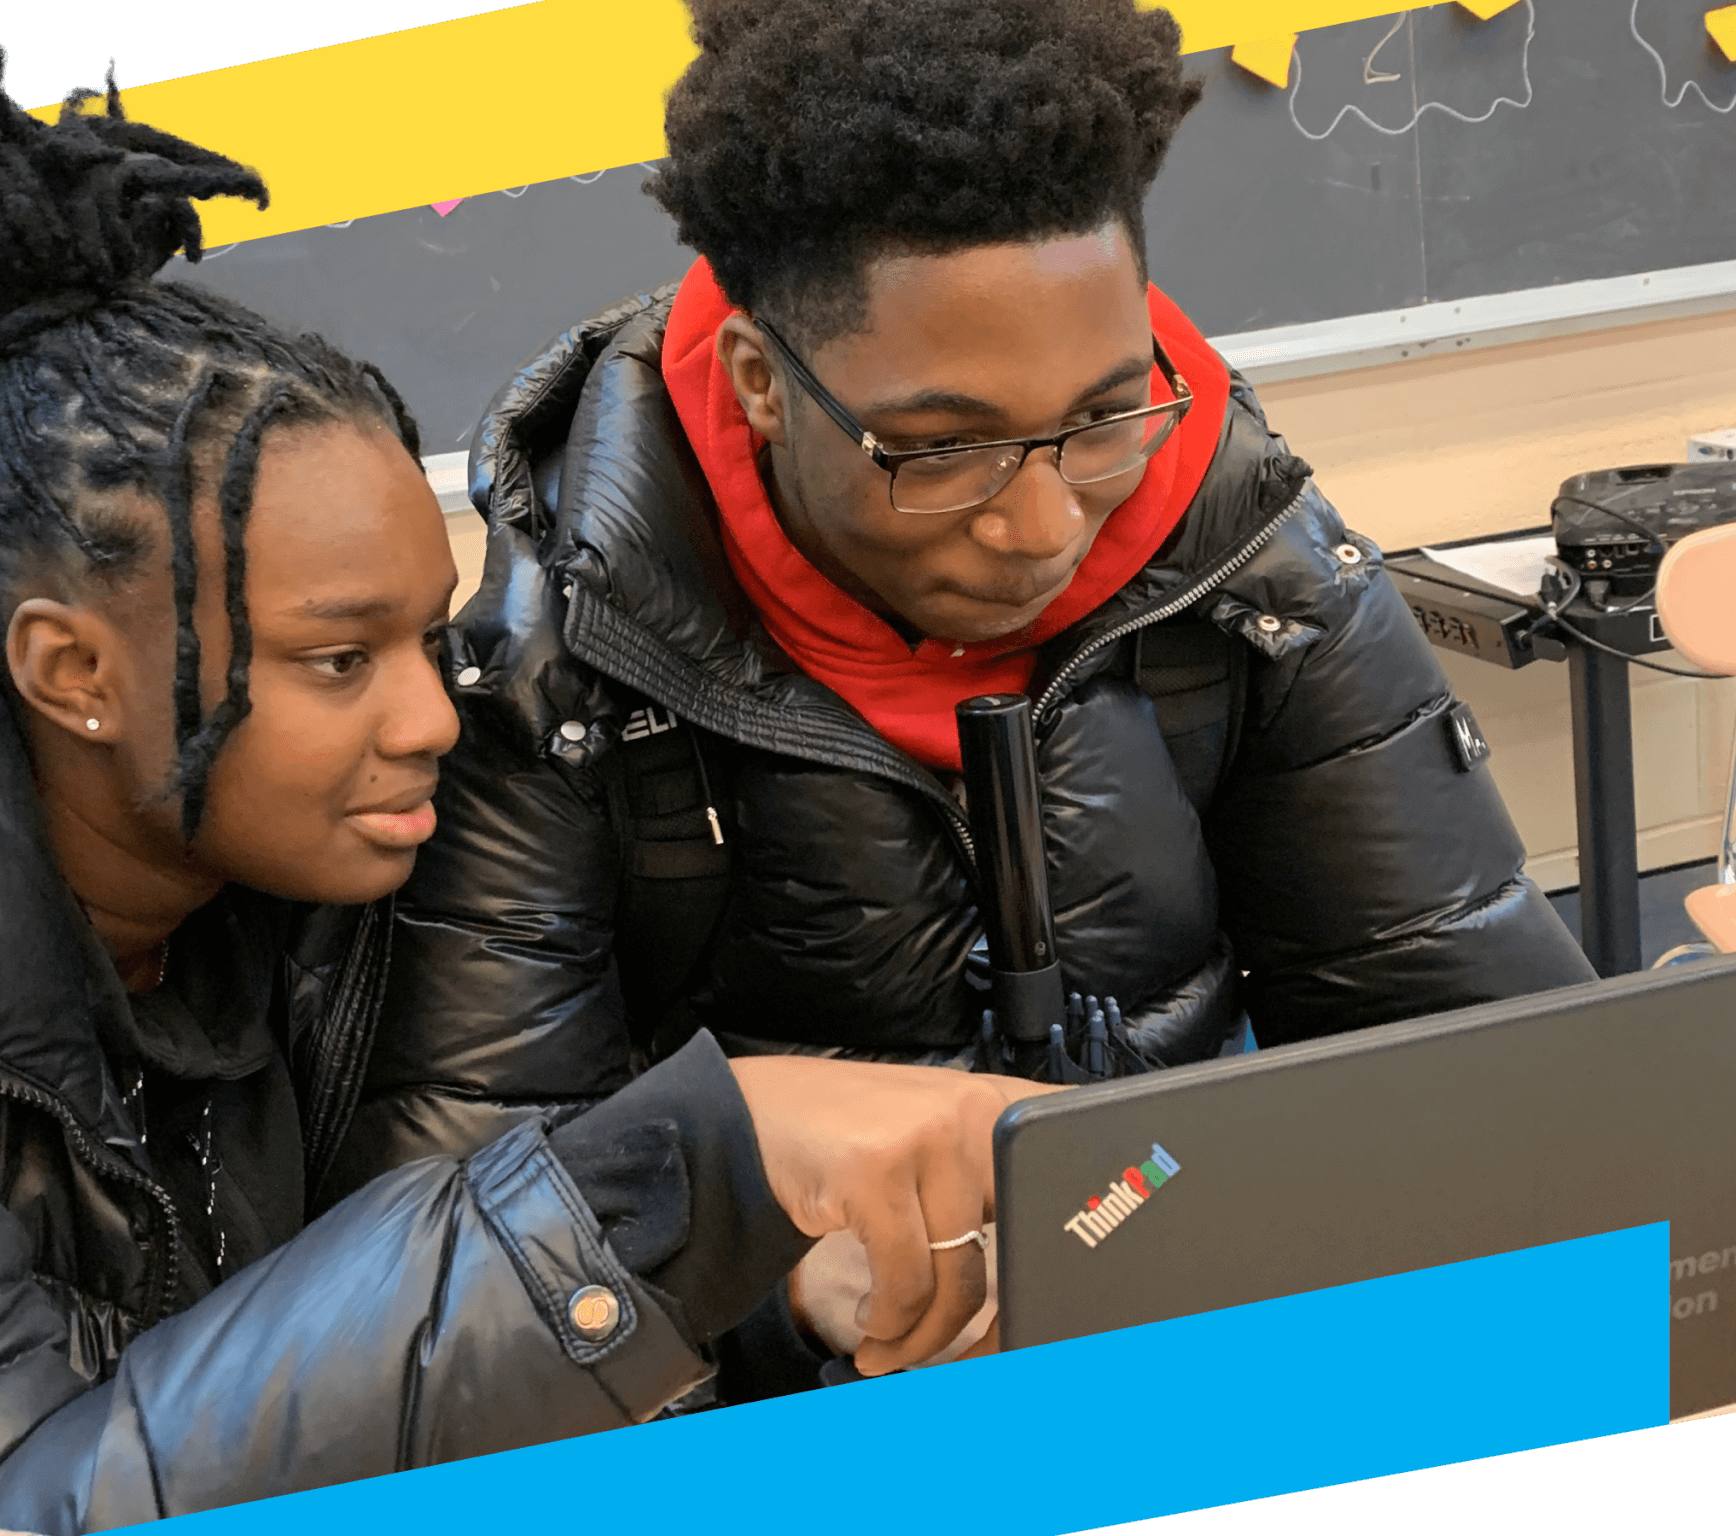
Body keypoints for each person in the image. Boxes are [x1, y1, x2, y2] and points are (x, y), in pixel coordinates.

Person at [0, 45, 1052, 1529]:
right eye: (339, 661)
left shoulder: (323, 877)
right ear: (71, 674)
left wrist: (766, 1284)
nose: (432, 719)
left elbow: (387, 1363)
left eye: (425, 635)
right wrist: (664, 1178)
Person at [377, 0, 1597, 1229]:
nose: (1045, 527)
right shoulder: (560, 661)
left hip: (1169, 1251)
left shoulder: (1250, 568)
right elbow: (475, 1247)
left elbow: (1480, 1063)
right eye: (941, 449)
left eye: (1104, 416)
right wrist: (786, 1295)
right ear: (759, 383)